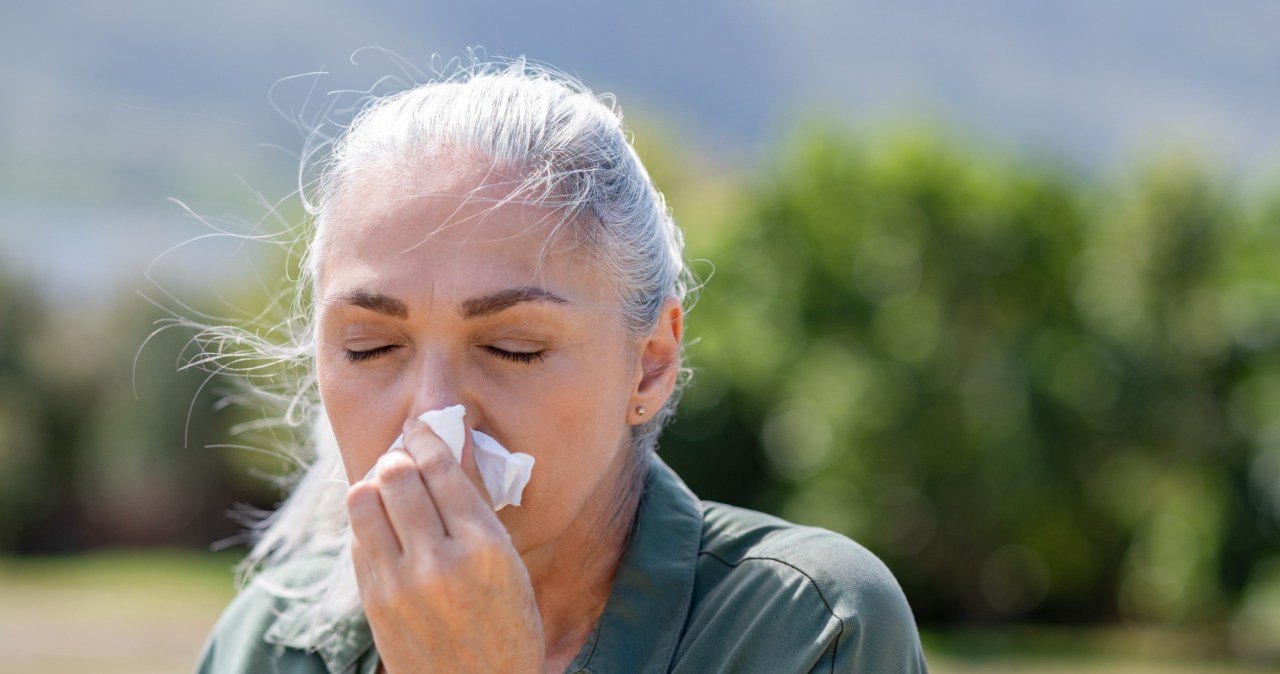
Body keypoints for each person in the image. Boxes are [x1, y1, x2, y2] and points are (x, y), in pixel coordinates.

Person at [196, 60, 928, 673]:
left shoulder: (806, 627)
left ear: (651, 365)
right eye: (371, 348)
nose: (432, 416)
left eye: (513, 348)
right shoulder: (270, 640)